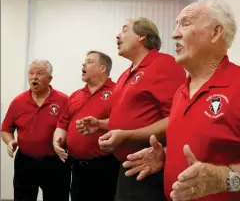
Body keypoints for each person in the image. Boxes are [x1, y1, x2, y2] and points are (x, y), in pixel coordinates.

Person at [122, 0, 240, 201]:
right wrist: (168, 156)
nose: (174, 33)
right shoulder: (181, 92)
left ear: (216, 32)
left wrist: (225, 178)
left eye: (185, 24)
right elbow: (206, 147)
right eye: (176, 24)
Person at [76, 17, 186, 201]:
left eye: (125, 30)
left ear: (142, 36)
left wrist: (128, 136)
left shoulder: (164, 64)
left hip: (150, 167)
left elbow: (177, 118)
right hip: (125, 167)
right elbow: (130, 118)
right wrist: (101, 125)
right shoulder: (125, 74)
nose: (118, 35)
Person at [53, 50, 119, 201]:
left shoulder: (118, 91)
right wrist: (57, 141)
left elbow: (125, 123)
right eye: (85, 61)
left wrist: (100, 124)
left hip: (105, 166)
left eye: (89, 61)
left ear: (103, 68)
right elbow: (63, 123)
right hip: (77, 167)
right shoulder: (76, 95)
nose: (84, 64)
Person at [1, 60, 71, 201]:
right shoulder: (18, 102)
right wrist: (10, 142)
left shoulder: (64, 100)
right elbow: (5, 129)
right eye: (31, 73)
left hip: (55, 163)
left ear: (50, 78)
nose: (34, 77)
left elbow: (70, 128)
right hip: (25, 162)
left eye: (39, 73)